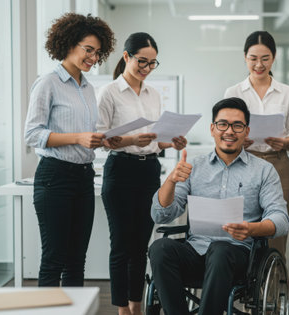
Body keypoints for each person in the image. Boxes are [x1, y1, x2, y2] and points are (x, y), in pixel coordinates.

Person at [148, 97, 289, 315]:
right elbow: (161, 215)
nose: (229, 131)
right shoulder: (193, 166)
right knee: (159, 248)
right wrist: (171, 181)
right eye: (222, 124)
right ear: (212, 129)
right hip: (196, 251)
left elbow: (281, 220)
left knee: (221, 249)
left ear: (246, 131)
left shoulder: (264, 170)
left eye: (237, 125)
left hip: (239, 257)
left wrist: (251, 229)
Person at [96, 32, 187, 315]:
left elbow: (154, 139)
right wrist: (133, 140)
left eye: (152, 64)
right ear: (126, 57)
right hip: (120, 170)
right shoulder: (109, 92)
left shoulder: (153, 94)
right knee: (121, 244)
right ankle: (123, 308)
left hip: (149, 170)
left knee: (140, 244)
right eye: (141, 62)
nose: (146, 69)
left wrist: (170, 141)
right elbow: (101, 139)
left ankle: (137, 303)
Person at [24, 13, 115, 287]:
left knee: (77, 260)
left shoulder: (87, 87)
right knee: (54, 259)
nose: (94, 58)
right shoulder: (47, 83)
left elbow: (84, 135)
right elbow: (32, 134)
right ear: (68, 44)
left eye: (98, 53)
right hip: (55, 177)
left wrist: (102, 140)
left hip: (83, 178)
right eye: (89, 50)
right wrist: (78, 138)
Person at [224, 31, 289, 260]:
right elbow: (223, 131)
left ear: (273, 58)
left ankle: (275, 290)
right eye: (253, 58)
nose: (259, 64)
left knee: (277, 233)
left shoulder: (287, 92)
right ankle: (245, 286)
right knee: (241, 230)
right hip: (243, 165)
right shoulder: (233, 92)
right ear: (245, 57)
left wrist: (286, 141)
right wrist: (236, 139)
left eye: (265, 58)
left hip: (279, 164)